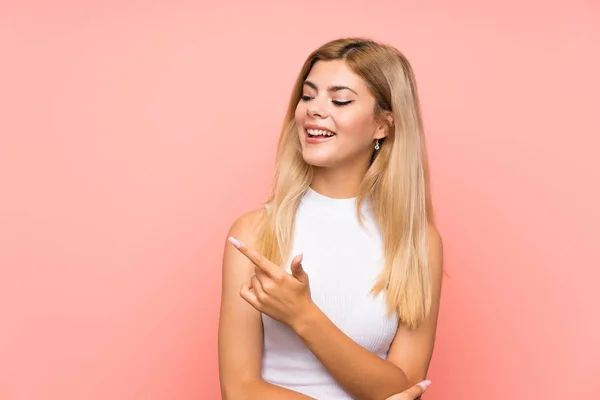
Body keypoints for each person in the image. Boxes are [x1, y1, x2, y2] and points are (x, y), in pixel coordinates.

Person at [218, 37, 444, 400]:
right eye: (308, 96)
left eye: (339, 100)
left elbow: (404, 385)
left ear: (384, 125)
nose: (313, 110)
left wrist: (303, 316)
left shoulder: (417, 242)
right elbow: (239, 388)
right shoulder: (255, 231)